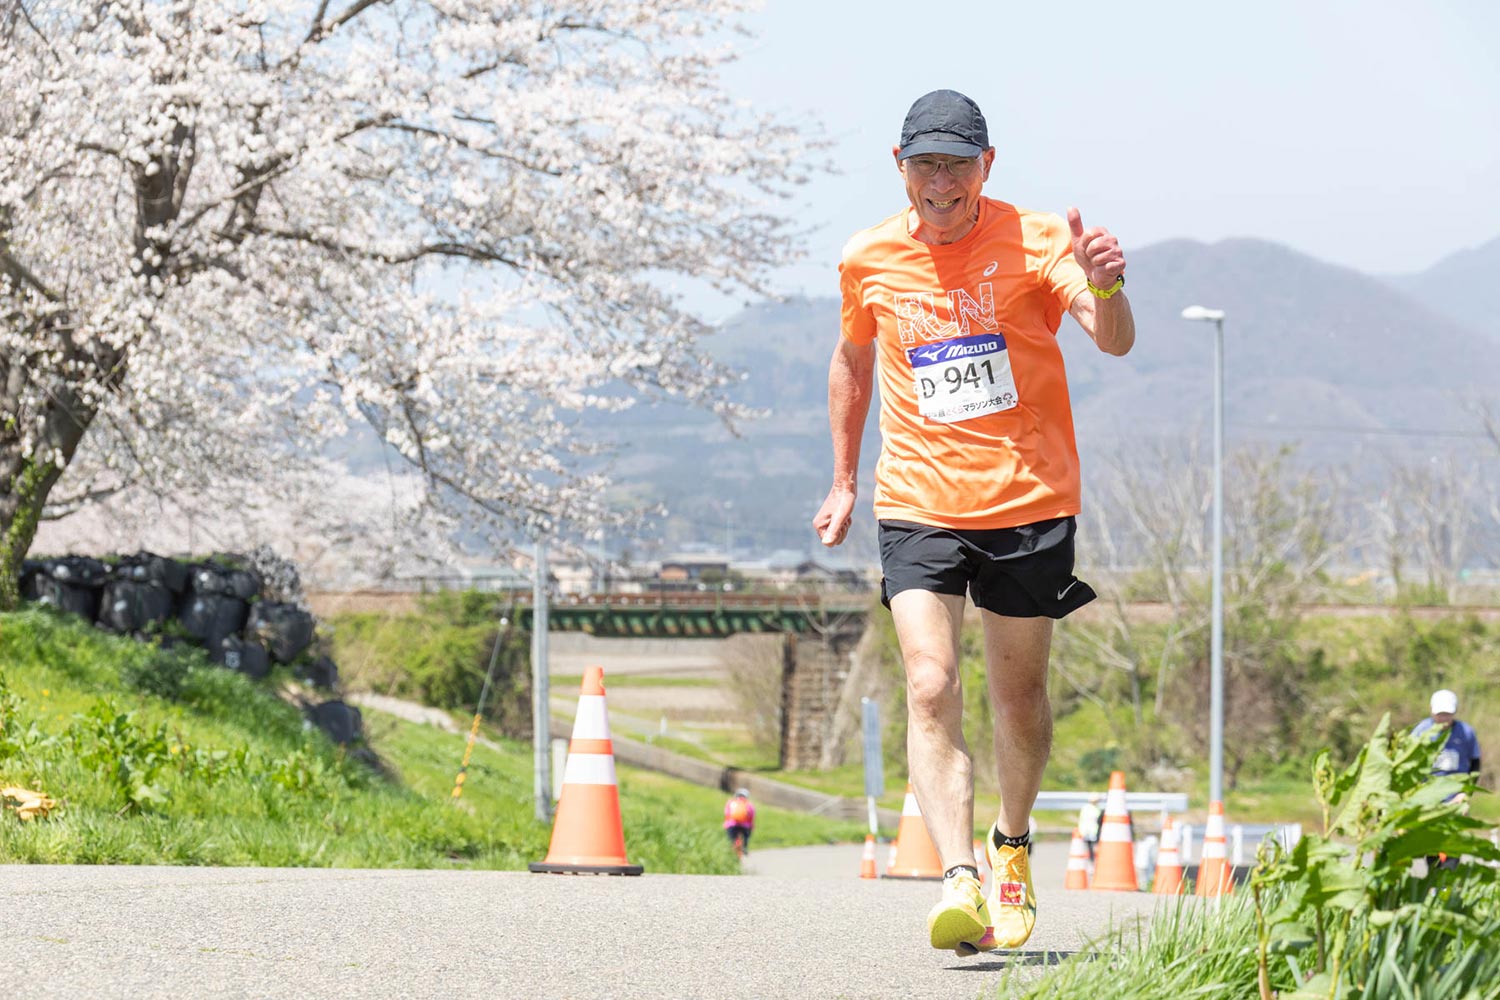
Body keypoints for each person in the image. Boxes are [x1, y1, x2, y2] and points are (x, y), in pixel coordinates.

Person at [813, 89, 1135, 956]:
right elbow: (852, 362)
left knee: (1018, 699)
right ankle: (959, 876)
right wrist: (844, 480)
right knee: (929, 682)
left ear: (987, 165)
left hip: (1029, 501)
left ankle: (1011, 845)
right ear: (899, 165)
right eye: (926, 162)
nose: (942, 181)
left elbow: (1112, 339)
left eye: (958, 164)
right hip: (917, 502)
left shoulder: (1037, 240)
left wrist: (1106, 283)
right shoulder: (868, 256)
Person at [723, 788, 755, 856]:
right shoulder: (749, 804)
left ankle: (731, 848)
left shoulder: (730, 802)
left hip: (732, 824)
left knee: (731, 838)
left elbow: (726, 813)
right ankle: (745, 847)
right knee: (746, 836)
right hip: (745, 825)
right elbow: (752, 815)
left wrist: (726, 823)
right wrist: (751, 825)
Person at [1076, 793, 1103, 864]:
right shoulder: (1089, 809)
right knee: (1091, 847)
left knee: (1092, 847)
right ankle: (1093, 861)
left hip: (1093, 830)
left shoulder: (1096, 808)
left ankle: (1094, 860)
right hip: (1090, 830)